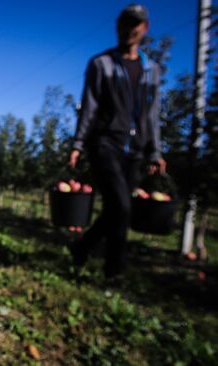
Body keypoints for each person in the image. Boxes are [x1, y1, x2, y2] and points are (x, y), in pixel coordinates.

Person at [68, 4, 166, 280]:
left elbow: (152, 113)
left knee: (119, 208)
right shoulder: (102, 64)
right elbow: (89, 106)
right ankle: (115, 272)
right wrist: (78, 144)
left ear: (144, 29)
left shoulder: (151, 70)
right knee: (121, 206)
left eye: (136, 24)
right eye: (125, 23)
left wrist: (154, 151)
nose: (130, 29)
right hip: (105, 143)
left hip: (135, 148)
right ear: (118, 26)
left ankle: (82, 247)